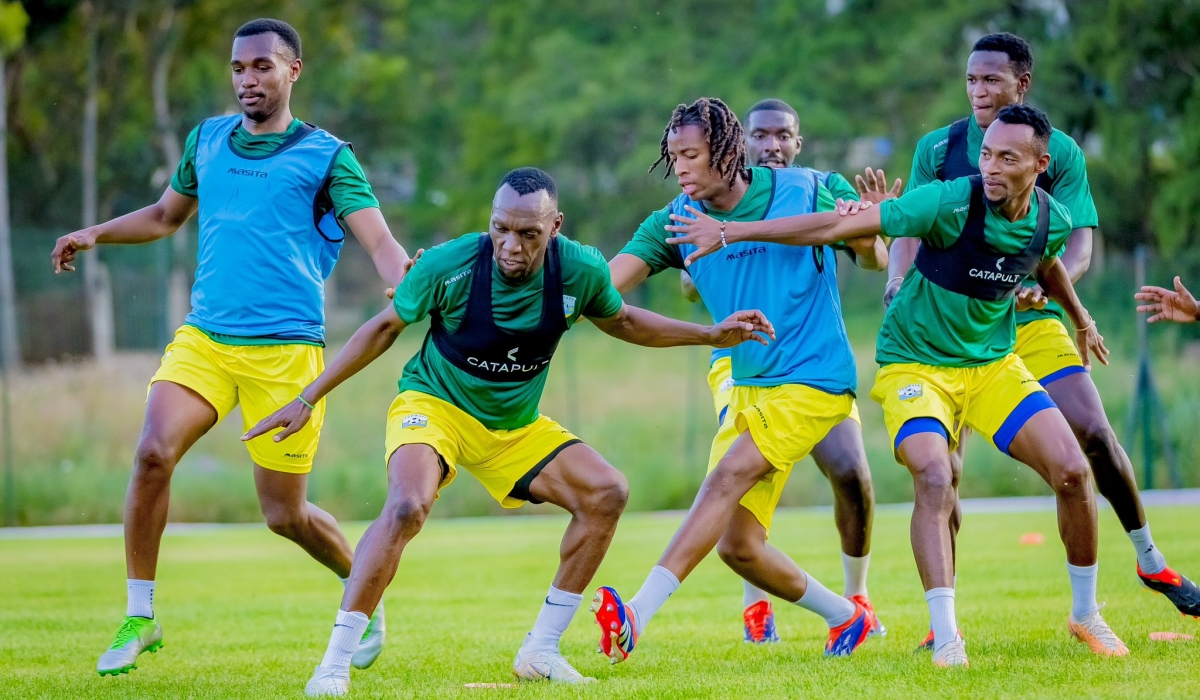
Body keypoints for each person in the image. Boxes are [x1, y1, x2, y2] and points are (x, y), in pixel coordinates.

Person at [243, 168, 774, 695]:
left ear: (555, 227)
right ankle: (333, 665)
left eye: (528, 234)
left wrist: (709, 333)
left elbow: (626, 322)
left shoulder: (580, 271)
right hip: (435, 405)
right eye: (501, 228)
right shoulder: (450, 264)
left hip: (513, 426)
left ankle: (541, 651)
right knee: (408, 505)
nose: (510, 245)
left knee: (606, 492)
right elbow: (383, 328)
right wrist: (308, 398)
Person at [665, 104, 1130, 666]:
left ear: (1040, 163)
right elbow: (840, 227)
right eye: (986, 153)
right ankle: (946, 636)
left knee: (1075, 472)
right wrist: (732, 231)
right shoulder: (950, 198)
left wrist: (1079, 316)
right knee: (934, 474)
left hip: (991, 365)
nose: (991, 166)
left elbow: (1046, 256)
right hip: (915, 364)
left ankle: (1086, 616)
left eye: (1008, 157)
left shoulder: (1050, 215)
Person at [51, 19, 409, 677]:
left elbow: (380, 240)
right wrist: (94, 233)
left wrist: (400, 280)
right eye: (239, 68)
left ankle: (363, 589)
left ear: (293, 70)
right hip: (206, 340)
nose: (249, 79)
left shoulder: (328, 156)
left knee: (285, 514)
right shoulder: (208, 141)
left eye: (263, 67)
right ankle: (140, 614)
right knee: (153, 452)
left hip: (286, 355)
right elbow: (165, 217)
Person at [887, 33, 1200, 628]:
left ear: (1021, 84)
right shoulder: (939, 147)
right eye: (972, 80)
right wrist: (896, 281)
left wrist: (1052, 291)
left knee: (1093, 433)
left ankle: (1150, 560)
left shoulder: (1054, 151)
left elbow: (1076, 243)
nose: (979, 91)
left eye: (992, 81)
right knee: (942, 470)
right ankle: (941, 625)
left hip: (1029, 316)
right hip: (950, 330)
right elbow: (909, 224)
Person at [597, 97, 890, 665]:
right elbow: (606, 287)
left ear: (727, 153)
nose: (680, 167)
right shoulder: (673, 222)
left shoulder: (808, 186)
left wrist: (862, 230)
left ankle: (635, 613)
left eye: (692, 155)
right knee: (739, 546)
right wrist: (548, 291)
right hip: (750, 385)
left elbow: (861, 245)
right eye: (673, 156)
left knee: (730, 475)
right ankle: (845, 616)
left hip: (814, 379)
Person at [675, 97, 894, 643]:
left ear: (798, 142)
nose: (772, 145)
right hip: (739, 361)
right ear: (739, 144)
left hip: (811, 360)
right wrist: (703, 263)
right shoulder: (705, 201)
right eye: (760, 135)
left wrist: (866, 235)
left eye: (783, 135)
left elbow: (874, 256)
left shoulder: (819, 188)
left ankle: (857, 595)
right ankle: (756, 607)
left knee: (851, 473)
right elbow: (685, 283)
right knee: (743, 476)